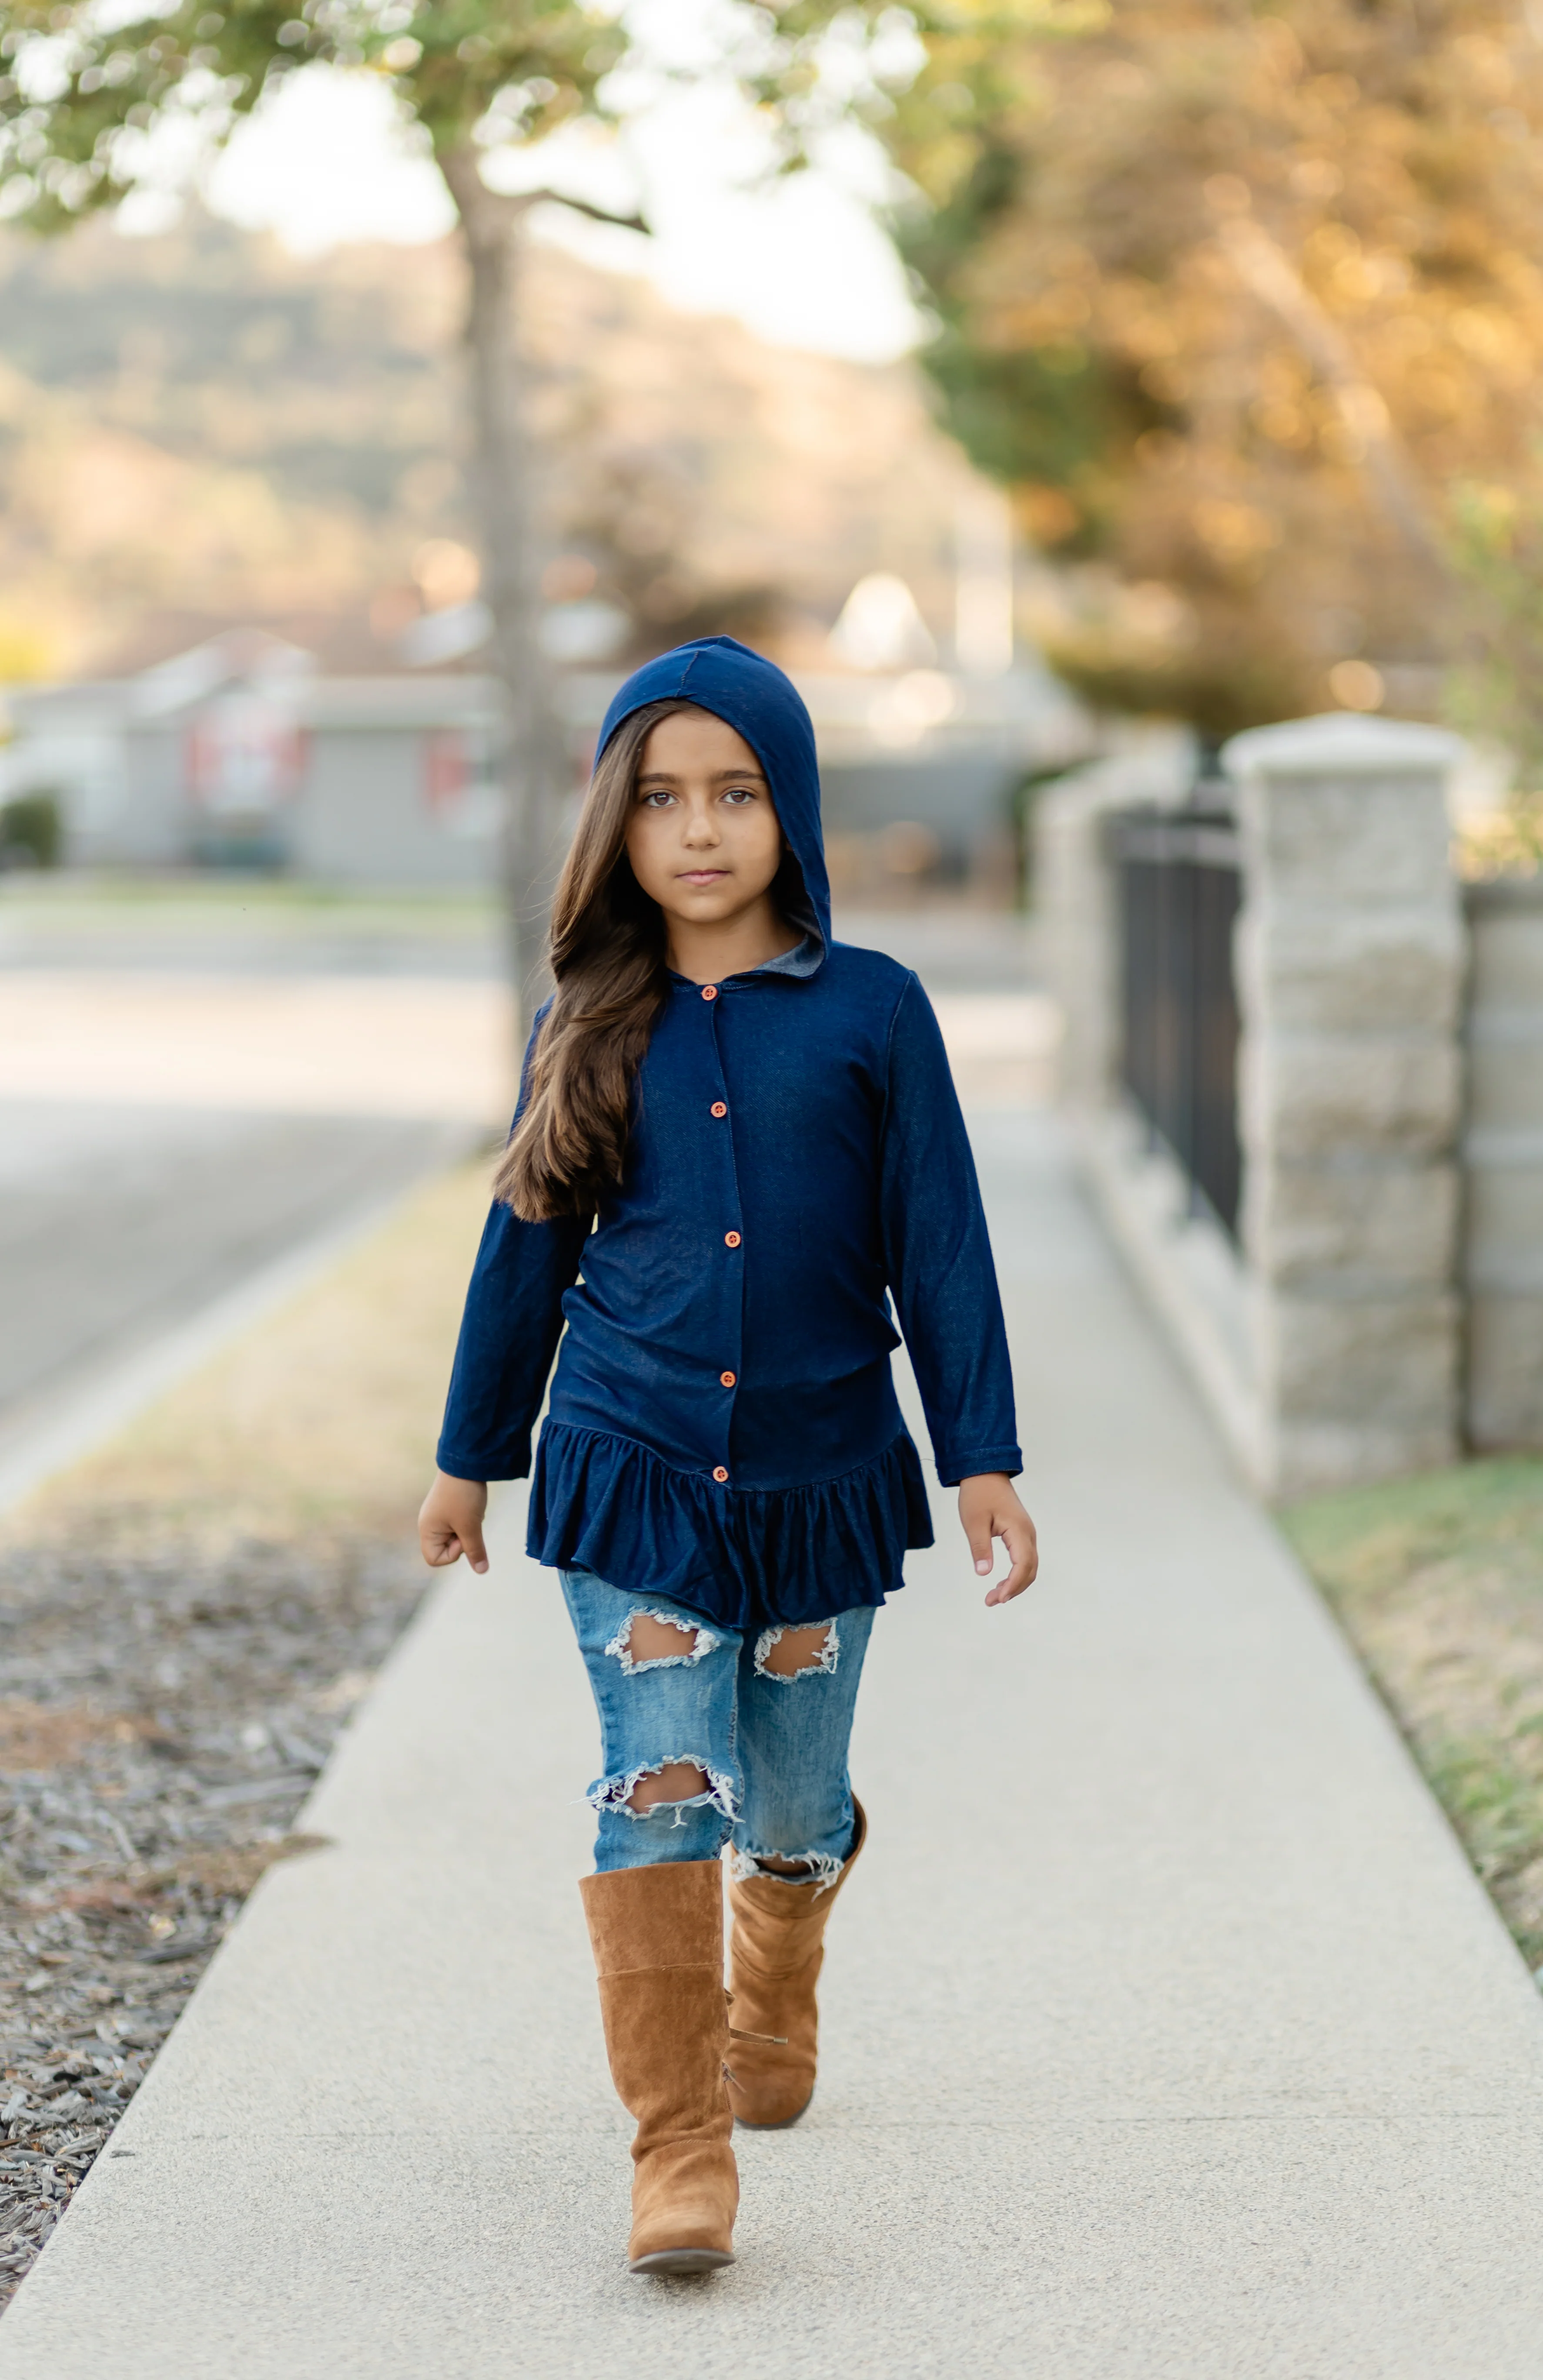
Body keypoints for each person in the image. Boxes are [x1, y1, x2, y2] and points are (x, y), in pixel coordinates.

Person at [418, 637, 1036, 2278]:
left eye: (738, 794)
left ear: (794, 810)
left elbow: (945, 1248)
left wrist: (983, 1453)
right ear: (617, 825)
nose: (700, 831)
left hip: (825, 1476)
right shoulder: (586, 1019)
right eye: (664, 798)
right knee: (660, 1782)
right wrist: (469, 1456)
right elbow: (524, 1253)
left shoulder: (875, 1013)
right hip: (630, 1464)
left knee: (793, 1804)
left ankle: (780, 1964)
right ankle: (676, 2150)